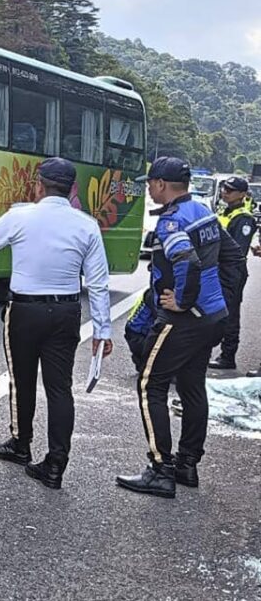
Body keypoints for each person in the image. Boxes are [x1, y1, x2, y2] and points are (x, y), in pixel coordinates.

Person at [0, 157, 112, 490]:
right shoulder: (87, 225)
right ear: (73, 190)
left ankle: (21, 445)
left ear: (38, 185)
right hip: (66, 313)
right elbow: (98, 282)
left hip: (24, 311)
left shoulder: (20, 215)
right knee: (59, 388)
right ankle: (54, 465)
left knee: (22, 380)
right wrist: (102, 331)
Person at [116, 157, 227, 499]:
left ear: (162, 184)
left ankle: (160, 468)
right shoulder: (203, 212)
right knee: (193, 388)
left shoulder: (172, 222)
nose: (149, 188)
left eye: (150, 183)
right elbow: (232, 256)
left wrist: (182, 301)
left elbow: (187, 262)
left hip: (183, 320)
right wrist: (219, 301)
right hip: (212, 316)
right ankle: (187, 464)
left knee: (151, 385)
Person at [210, 176, 256, 370]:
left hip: (232, 271)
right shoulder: (225, 211)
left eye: (230, 190)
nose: (225, 192)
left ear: (242, 195)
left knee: (229, 312)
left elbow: (238, 249)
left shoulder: (244, 218)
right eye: (224, 189)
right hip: (217, 267)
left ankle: (228, 355)